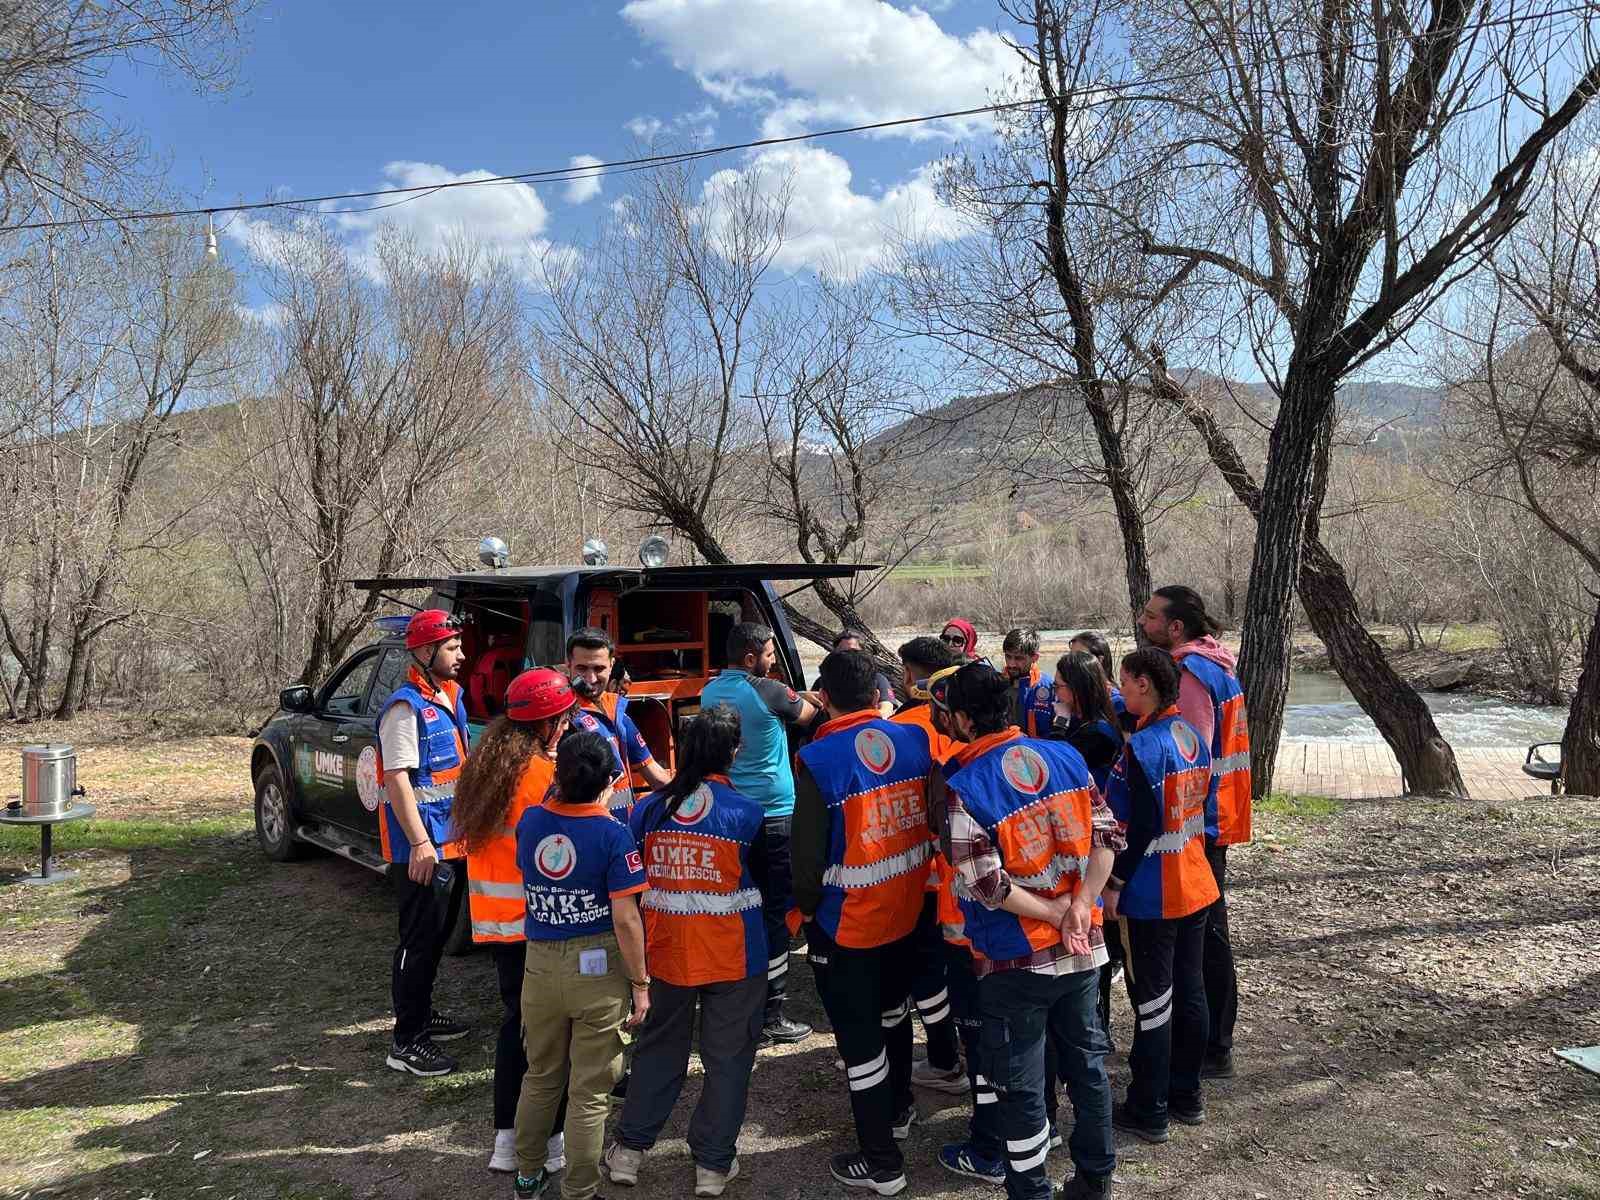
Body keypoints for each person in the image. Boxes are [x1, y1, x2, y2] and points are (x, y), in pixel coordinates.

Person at [941, 661, 1122, 1200]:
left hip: (1014, 962)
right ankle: (1095, 1181)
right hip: (1082, 949)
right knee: (1087, 1069)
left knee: (1020, 1086)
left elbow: (987, 884)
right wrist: (1080, 906)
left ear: (964, 719)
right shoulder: (1066, 757)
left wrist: (1054, 913)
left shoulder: (965, 786)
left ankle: (1031, 1189)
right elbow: (1107, 838)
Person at [605, 706, 767, 1198]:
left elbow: (630, 883)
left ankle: (629, 1152)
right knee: (728, 1059)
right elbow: (770, 884)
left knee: (658, 1049)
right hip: (734, 956)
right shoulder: (747, 812)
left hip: (665, 953)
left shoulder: (648, 810)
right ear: (734, 752)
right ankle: (712, 1167)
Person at [791, 649, 936, 1196]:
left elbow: (807, 857)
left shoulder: (818, 758)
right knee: (895, 1012)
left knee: (859, 1043)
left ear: (824, 699)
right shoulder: (913, 739)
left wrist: (806, 909)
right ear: (877, 695)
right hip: (907, 907)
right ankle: (898, 1108)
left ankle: (882, 1163)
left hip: (847, 922)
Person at [512, 731, 651, 1200]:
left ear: (558, 776)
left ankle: (527, 1174)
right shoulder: (614, 834)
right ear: (609, 781)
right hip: (598, 967)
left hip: (540, 963)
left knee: (540, 1076)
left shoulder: (531, 822)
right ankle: (580, 1189)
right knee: (589, 1092)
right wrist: (640, 983)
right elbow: (627, 919)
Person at [451, 668, 577, 1177]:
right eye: (563, 720)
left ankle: (506, 1140)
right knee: (551, 1040)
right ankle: (551, 1141)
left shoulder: (487, 766)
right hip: (541, 924)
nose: (567, 727)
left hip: (499, 922)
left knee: (516, 1028)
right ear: (547, 723)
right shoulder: (544, 777)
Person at [1102, 647, 1219, 1143]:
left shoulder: (1144, 747)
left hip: (1154, 892)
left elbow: (1141, 825)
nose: (1120, 690)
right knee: (1191, 990)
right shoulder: (1191, 736)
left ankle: (1148, 1107)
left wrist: (1114, 883)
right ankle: (1187, 1094)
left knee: (1153, 999)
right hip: (1195, 881)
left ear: (1144, 684)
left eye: (1125, 681)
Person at [1138, 586, 1250, 1078]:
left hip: (1200, 822)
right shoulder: (1217, 664)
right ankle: (1212, 1040)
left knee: (1205, 936)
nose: (1143, 623)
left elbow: (1190, 752)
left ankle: (1212, 1046)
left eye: (1151, 617)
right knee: (1210, 931)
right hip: (1217, 814)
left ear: (1176, 627)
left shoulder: (1191, 673)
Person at [700, 621, 822, 1045]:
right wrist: (803, 697)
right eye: (770, 655)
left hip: (730, 816)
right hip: (773, 816)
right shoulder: (768, 690)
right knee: (775, 915)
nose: (772, 661)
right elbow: (809, 714)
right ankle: (771, 1013)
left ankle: (736, 1002)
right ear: (751, 657)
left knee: (740, 909)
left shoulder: (710, 692)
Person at [375, 608, 472, 1077]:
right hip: (424, 850)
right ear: (425, 651)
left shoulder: (449, 696)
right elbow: (396, 780)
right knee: (418, 941)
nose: (462, 654)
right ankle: (406, 1040)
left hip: (451, 844)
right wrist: (418, 844)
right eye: (452, 647)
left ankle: (422, 1014)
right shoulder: (404, 709)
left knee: (435, 940)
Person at [889, 637, 965, 1096]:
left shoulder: (901, 730)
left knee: (924, 970)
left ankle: (943, 1058)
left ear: (909, 676)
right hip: (965, 872)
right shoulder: (964, 719)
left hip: (920, 872)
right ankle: (962, 1050)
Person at [1052, 651, 1128, 1042]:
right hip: (1084, 836)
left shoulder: (1096, 733)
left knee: (1092, 941)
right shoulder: (1090, 725)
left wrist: (1058, 721)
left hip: (1091, 841)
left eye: (1060, 687)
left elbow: (1056, 766)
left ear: (1078, 689)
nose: (1055, 694)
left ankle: (1095, 1030)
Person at [565, 627, 672, 817]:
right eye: (581, 668)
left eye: (599, 669)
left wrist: (695, 803)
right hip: (589, 829)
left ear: (612, 665)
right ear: (568, 664)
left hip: (622, 829)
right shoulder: (562, 717)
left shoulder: (616, 711)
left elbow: (656, 776)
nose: (590, 678)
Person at [817, 629, 898, 716]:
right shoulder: (825, 680)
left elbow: (886, 710)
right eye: (843, 651)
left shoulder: (875, 679)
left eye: (853, 651)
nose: (848, 656)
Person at [1067, 632, 1130, 732]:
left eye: (1080, 656)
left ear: (1099, 660)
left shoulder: (1118, 703)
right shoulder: (1069, 696)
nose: (1071, 662)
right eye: (1071, 656)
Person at [1002, 629, 1056, 738]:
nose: (1011, 664)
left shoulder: (1049, 687)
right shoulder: (997, 684)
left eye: (1018, 658)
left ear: (1034, 658)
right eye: (1008, 656)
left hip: (1038, 747)